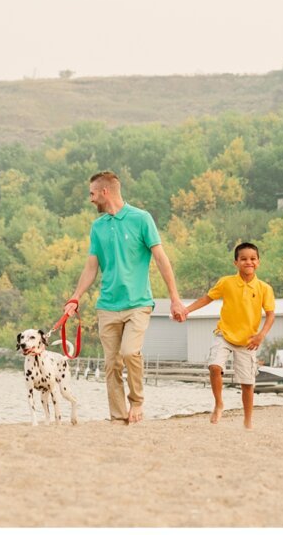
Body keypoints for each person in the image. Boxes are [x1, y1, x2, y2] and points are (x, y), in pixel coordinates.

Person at [61, 171, 186, 425]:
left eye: (92, 194)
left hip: (138, 303)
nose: (90, 199)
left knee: (130, 353)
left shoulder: (141, 219)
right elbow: (91, 267)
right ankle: (118, 417)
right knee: (112, 365)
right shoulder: (98, 226)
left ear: (105, 192)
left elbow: (161, 259)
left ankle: (137, 401)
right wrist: (75, 297)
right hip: (107, 306)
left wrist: (175, 299)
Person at [184, 241, 275, 430]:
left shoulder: (264, 288)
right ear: (236, 263)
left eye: (252, 259)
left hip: (248, 341)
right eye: (243, 259)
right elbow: (207, 298)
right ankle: (219, 404)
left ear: (258, 262)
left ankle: (248, 421)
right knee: (215, 366)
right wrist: (186, 310)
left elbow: (271, 315)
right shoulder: (226, 282)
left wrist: (261, 335)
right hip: (224, 335)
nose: (248, 262)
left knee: (247, 384)